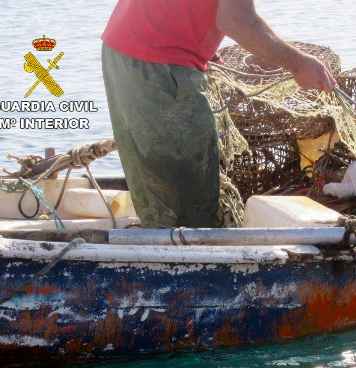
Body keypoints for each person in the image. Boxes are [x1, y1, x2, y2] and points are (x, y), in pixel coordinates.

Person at [102, 0, 336, 229]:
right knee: (190, 197)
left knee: (156, 186)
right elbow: (235, 19)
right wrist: (298, 64)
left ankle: (161, 249)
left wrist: (202, 44)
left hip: (124, 51)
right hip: (157, 64)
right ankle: (190, 260)